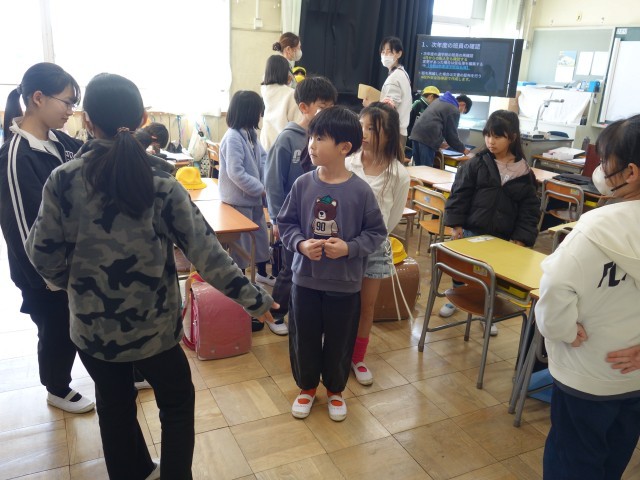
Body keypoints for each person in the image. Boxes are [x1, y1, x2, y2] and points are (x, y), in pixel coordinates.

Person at [24, 72, 276, 480]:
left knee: (114, 406)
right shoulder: (162, 184)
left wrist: (79, 285)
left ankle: (134, 472)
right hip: (155, 332)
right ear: (143, 119)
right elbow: (208, 255)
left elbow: (41, 254)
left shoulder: (63, 180)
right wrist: (256, 300)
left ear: (87, 121)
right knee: (176, 403)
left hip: (94, 331)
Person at [535, 114, 640, 480]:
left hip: (587, 373)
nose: (601, 169)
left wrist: (562, 330)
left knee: (573, 461)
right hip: (634, 376)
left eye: (606, 161)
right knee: (614, 458)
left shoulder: (596, 228)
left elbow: (553, 288)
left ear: (630, 172)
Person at [277, 106, 387, 421]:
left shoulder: (360, 191)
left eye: (320, 138)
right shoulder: (303, 184)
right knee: (304, 338)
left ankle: (335, 391)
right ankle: (307, 387)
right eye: (311, 136)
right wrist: (301, 244)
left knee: (340, 340)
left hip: (345, 285)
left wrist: (349, 248)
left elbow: (376, 232)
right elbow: (286, 224)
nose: (311, 145)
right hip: (305, 281)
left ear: (344, 147)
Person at [0, 62, 94, 414]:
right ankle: (57, 388)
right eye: (66, 102)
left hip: (73, 263)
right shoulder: (15, 156)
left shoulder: (61, 142)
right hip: (42, 275)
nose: (70, 111)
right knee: (56, 331)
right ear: (38, 98)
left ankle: (122, 373)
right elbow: (22, 228)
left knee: (80, 323)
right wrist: (50, 279)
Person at [442, 110, 539, 335]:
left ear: (512, 137)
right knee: (462, 270)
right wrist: (456, 225)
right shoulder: (477, 163)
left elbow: (529, 211)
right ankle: (456, 296)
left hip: (502, 238)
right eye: (488, 135)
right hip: (471, 231)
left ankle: (486, 312)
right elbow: (459, 194)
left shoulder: (525, 173)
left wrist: (521, 238)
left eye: (497, 136)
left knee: (491, 277)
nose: (490, 141)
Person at [264, 76, 338, 336]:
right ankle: (275, 313)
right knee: (289, 268)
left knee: (309, 267)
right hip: (291, 219)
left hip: (318, 217)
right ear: (304, 107)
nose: (327, 111)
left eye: (331, 106)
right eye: (322, 106)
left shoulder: (327, 138)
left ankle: (303, 313)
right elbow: (273, 182)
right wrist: (276, 219)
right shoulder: (287, 139)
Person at [346, 102, 410, 385]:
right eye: (362, 126)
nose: (364, 133)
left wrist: (371, 237)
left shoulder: (398, 174)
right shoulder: (348, 161)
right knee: (340, 301)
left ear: (389, 134)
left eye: (372, 128)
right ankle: (337, 349)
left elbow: (393, 217)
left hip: (373, 247)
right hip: (344, 245)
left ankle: (357, 358)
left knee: (366, 306)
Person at [219, 90, 274, 286]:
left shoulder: (251, 134)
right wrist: (260, 188)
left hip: (252, 198)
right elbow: (236, 173)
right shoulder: (233, 137)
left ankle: (262, 273)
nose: (260, 115)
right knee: (241, 244)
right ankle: (240, 278)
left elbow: (264, 158)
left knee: (260, 238)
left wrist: (266, 182)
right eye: (258, 111)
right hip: (238, 200)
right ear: (249, 112)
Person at [409, 91, 470, 166]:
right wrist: (463, 149)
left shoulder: (440, 101)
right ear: (463, 105)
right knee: (425, 169)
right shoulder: (454, 109)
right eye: (463, 111)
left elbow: (434, 122)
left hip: (416, 134)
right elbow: (451, 135)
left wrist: (439, 143)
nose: (460, 113)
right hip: (427, 139)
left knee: (418, 168)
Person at [260, 55, 303, 151]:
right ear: (285, 72)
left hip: (265, 143)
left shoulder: (264, 91)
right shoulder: (290, 93)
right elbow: (298, 123)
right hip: (284, 145)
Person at [377, 36, 412, 149]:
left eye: (389, 51)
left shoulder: (395, 77)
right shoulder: (402, 73)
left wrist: (371, 105)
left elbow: (389, 107)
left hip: (393, 132)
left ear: (399, 54)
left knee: (390, 161)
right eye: (383, 52)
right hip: (399, 130)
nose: (385, 55)